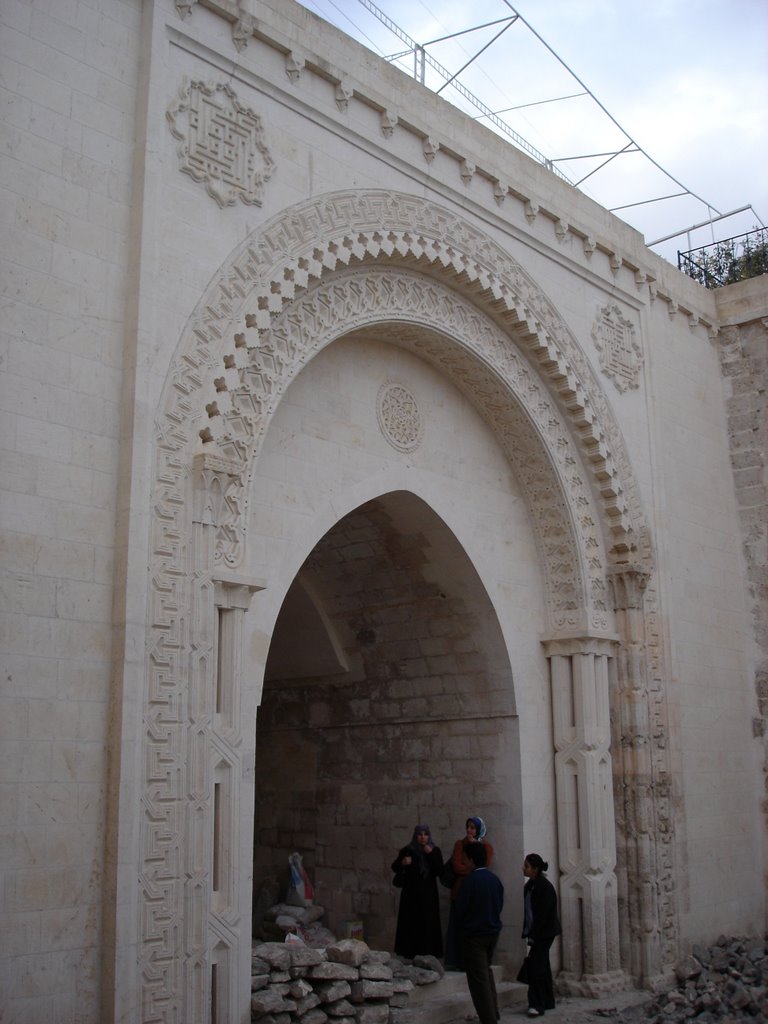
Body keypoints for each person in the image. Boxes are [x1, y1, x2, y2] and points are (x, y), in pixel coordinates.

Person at [453, 840, 503, 1024]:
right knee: (486, 973)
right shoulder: (494, 880)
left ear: (472, 860)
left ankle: (489, 1019)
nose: (463, 861)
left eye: (465, 858)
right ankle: (494, 1012)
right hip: (492, 932)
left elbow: (460, 909)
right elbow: (499, 904)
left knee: (478, 981)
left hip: (475, 936)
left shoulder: (470, 881)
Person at [444, 816, 495, 969]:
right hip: (460, 889)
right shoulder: (460, 844)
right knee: (458, 926)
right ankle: (457, 960)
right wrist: (471, 868)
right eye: (468, 827)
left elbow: (484, 863)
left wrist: (470, 866)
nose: (469, 830)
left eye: (473, 828)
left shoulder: (486, 847)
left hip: (477, 892)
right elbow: (456, 865)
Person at [391, 824, 444, 959]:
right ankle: (409, 953)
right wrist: (403, 863)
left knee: (428, 923)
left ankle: (428, 953)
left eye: (425, 834)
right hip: (411, 895)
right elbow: (395, 866)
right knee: (410, 923)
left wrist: (430, 854)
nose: (422, 837)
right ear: (416, 836)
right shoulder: (407, 850)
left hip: (428, 895)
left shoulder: (434, 850)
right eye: (420, 834)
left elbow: (439, 870)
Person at [521, 853, 562, 1017]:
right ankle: (548, 1000)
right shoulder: (530, 886)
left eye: (526, 866)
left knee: (536, 968)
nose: (523, 869)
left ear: (535, 869)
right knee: (542, 965)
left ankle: (536, 1004)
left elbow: (545, 914)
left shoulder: (544, 887)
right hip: (538, 933)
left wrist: (535, 934)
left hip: (544, 933)